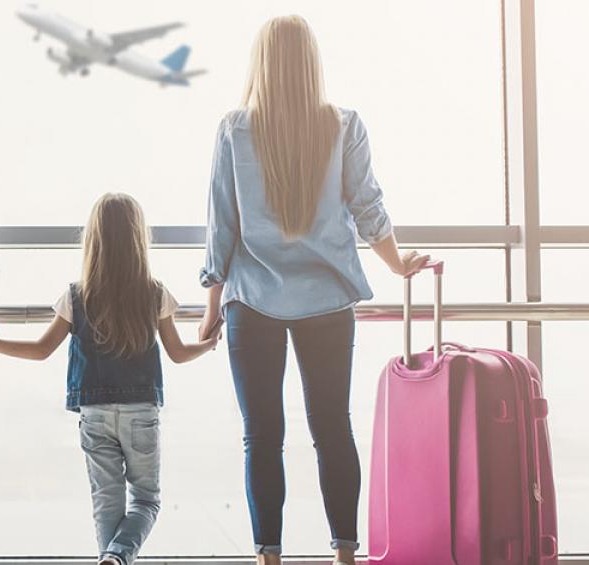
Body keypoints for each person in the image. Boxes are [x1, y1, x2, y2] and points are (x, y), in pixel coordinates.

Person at [194, 15, 432, 565]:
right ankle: (345, 555)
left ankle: (268, 558)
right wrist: (396, 264)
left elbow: (220, 228)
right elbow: (367, 205)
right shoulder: (343, 125)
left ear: (261, 63)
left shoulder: (234, 128)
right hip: (327, 302)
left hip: (251, 303)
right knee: (332, 427)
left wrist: (212, 307)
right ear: (311, 64)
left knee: (262, 436)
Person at [0, 193, 217, 565]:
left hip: (95, 413)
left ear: (94, 239)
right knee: (146, 500)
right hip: (141, 413)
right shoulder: (153, 293)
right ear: (138, 239)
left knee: (106, 500)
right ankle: (116, 557)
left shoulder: (77, 295)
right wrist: (209, 343)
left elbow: (40, 350)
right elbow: (179, 354)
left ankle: (111, 558)